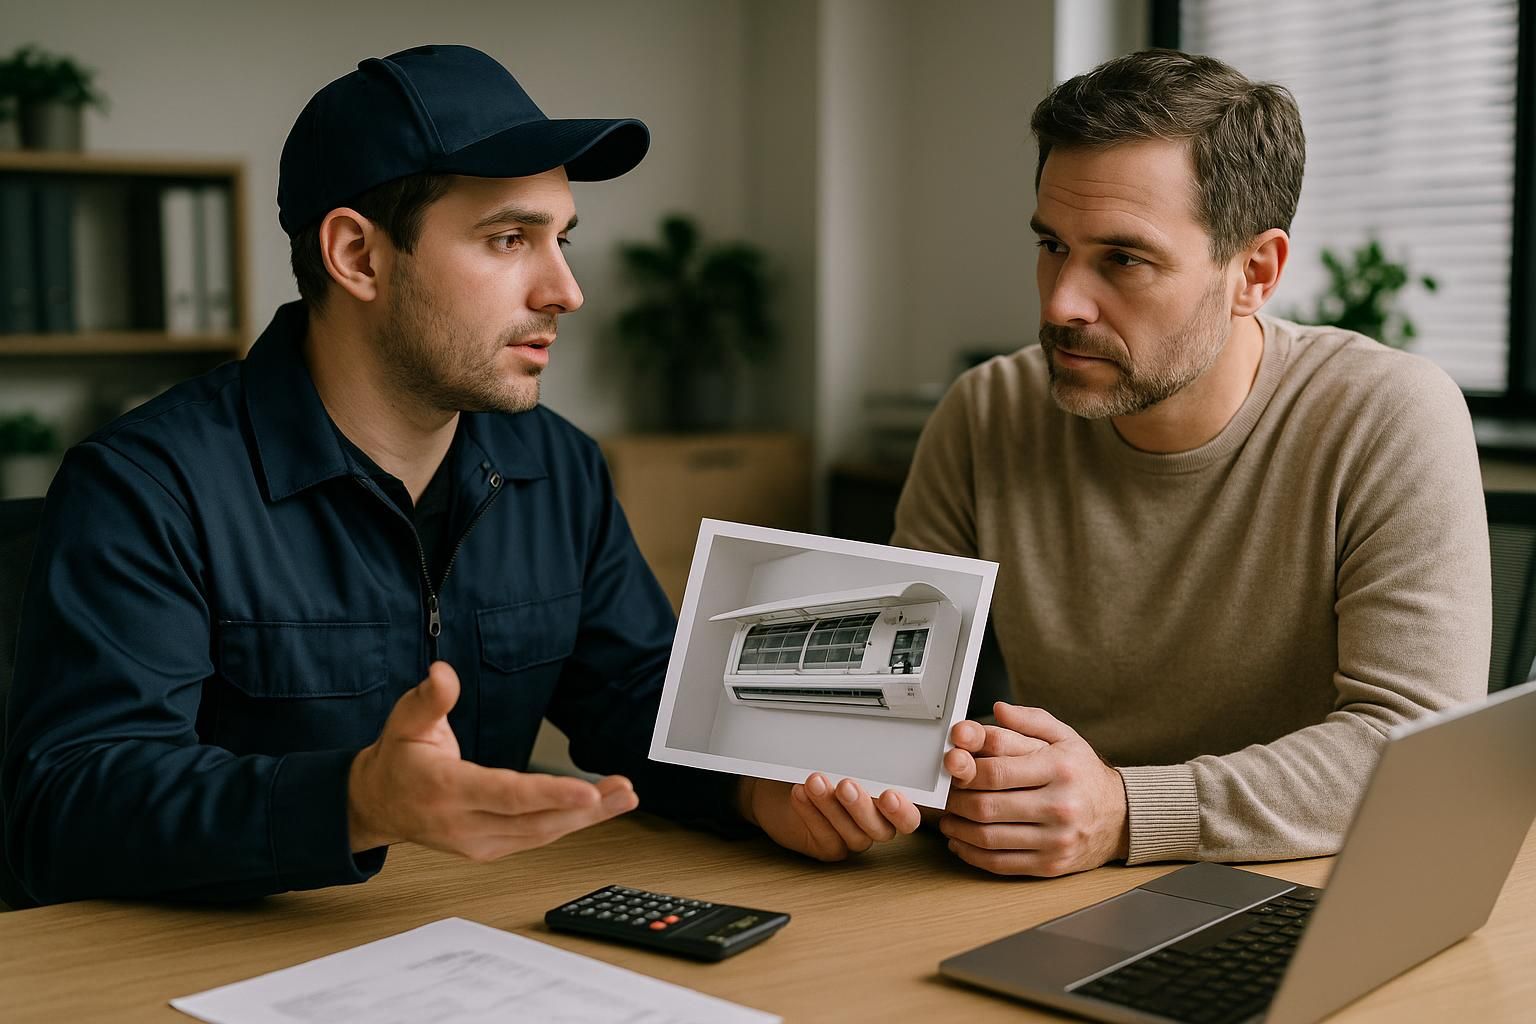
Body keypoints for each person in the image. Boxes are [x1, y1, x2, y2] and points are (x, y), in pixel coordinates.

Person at [1, 44, 919, 908]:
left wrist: (759, 794)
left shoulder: (558, 465)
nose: (565, 290)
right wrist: (356, 799)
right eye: (510, 240)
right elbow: (68, 801)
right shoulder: (146, 486)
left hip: (478, 937)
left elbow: (636, 697)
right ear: (357, 256)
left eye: (562, 238)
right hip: (214, 966)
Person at [895, 49, 1490, 877]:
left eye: (1123, 259)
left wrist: (1125, 811)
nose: (1062, 301)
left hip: (1308, 882)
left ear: (1255, 272)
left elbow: (1411, 746)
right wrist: (853, 782)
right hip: (1047, 886)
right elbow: (895, 698)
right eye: (1052, 245)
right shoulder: (984, 413)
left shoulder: (1387, 415)